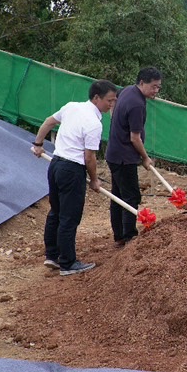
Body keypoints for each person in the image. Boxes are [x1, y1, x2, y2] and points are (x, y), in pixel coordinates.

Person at [31, 79, 118, 276]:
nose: (111, 105)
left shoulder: (72, 107)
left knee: (56, 212)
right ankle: (68, 263)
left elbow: (48, 122)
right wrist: (94, 180)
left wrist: (38, 143)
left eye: (113, 101)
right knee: (69, 218)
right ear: (96, 98)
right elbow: (89, 157)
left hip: (56, 165)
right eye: (109, 100)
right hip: (72, 170)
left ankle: (52, 256)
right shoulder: (94, 123)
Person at [105, 67, 162, 247]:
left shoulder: (127, 90)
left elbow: (114, 106)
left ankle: (119, 235)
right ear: (142, 83)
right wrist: (145, 158)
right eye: (153, 87)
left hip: (113, 153)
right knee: (130, 196)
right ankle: (129, 236)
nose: (156, 91)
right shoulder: (137, 104)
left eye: (158, 87)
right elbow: (135, 137)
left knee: (118, 195)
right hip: (124, 157)